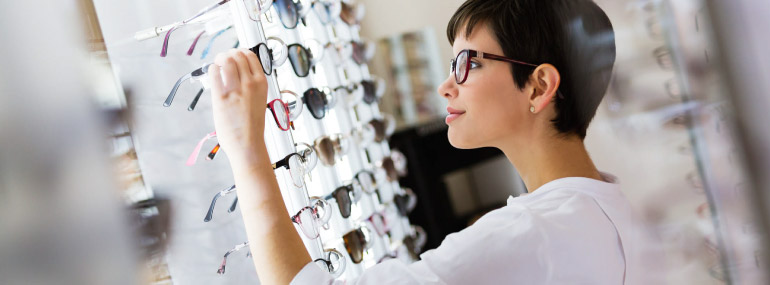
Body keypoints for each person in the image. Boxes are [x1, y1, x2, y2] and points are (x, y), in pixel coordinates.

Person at [207, 0, 663, 284]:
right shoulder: (614, 213)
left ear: (540, 86)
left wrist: (247, 149)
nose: (446, 86)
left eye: (469, 64)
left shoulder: (531, 236)